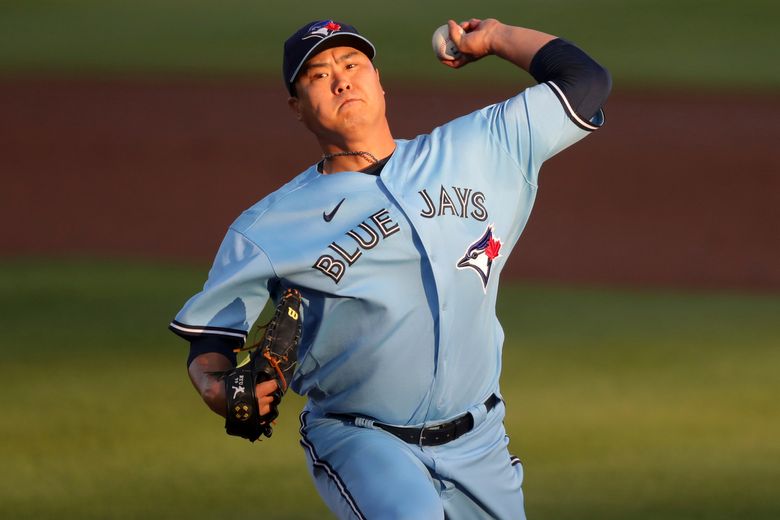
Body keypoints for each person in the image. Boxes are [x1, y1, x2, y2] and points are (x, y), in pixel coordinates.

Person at [170, 17, 611, 519]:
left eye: (352, 64)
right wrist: (217, 389)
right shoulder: (267, 228)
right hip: (363, 440)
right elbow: (210, 341)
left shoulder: (477, 147)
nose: (341, 79)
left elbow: (586, 83)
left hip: (481, 439)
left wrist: (493, 38)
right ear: (297, 108)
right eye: (317, 75)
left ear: (378, 80)